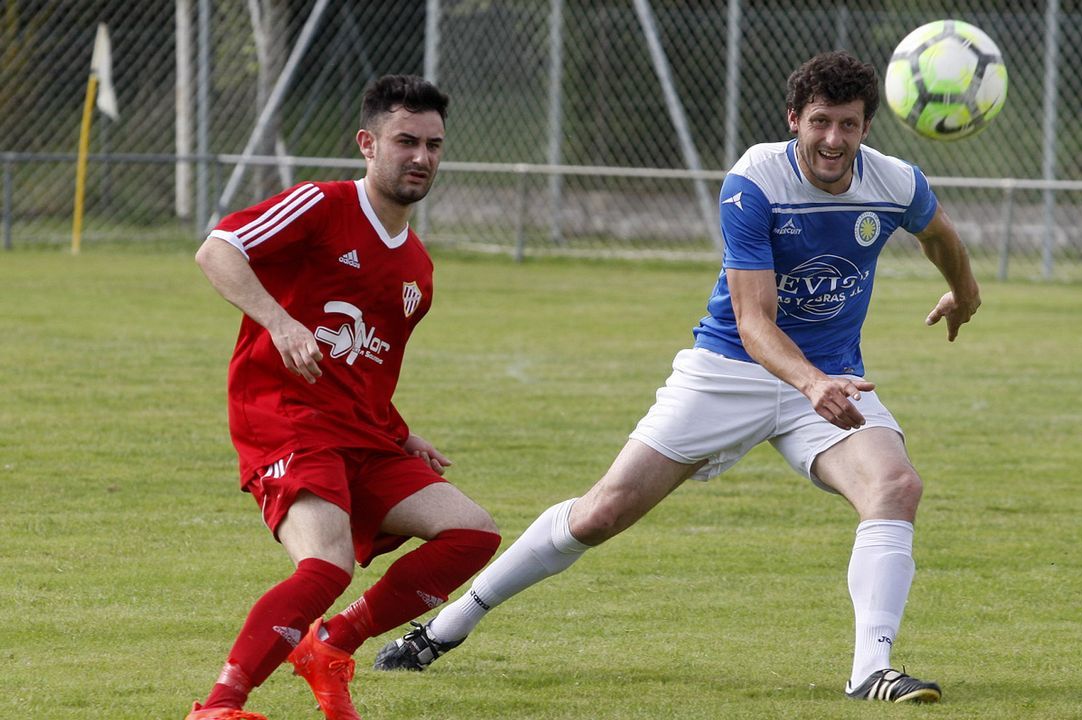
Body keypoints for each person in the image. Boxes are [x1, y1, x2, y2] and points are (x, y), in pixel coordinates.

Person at [377, 51, 980, 704]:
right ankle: (447, 626)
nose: (833, 140)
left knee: (895, 486)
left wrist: (964, 293)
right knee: (600, 514)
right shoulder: (757, 180)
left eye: (849, 125)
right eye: (820, 122)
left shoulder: (894, 181)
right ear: (793, 121)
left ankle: (871, 670)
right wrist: (811, 384)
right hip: (728, 371)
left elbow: (938, 235)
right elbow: (754, 323)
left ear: (867, 128)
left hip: (827, 381)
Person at [186, 75, 501, 720]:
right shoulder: (320, 206)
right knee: (326, 565)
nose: (420, 157)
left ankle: (331, 644)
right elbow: (217, 250)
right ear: (368, 143)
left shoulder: (418, 267)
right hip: (286, 419)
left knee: (471, 533)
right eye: (405, 140)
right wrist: (280, 322)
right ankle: (220, 706)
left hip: (363, 433)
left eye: (433, 145)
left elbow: (367, 369)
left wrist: (400, 430)